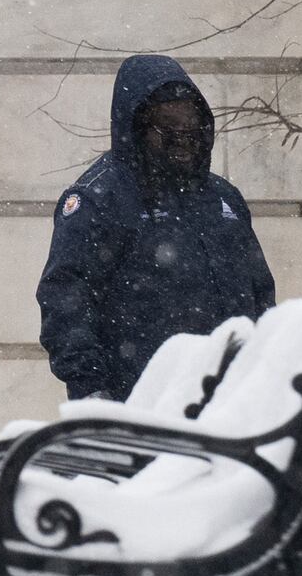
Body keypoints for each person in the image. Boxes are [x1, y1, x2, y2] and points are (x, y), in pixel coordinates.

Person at [37, 53, 277, 405]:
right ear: (137, 128)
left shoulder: (223, 200)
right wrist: (91, 390)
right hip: (140, 403)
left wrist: (266, 373)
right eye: (168, 129)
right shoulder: (99, 200)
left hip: (228, 404)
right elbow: (65, 299)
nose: (183, 140)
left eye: (192, 128)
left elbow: (261, 295)